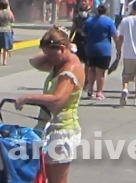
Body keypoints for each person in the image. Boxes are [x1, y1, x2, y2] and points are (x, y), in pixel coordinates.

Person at [16, 28, 85, 183]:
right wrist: (57, 44)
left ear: (61, 49)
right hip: (46, 127)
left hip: (62, 131)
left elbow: (58, 99)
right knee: (37, 174)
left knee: (57, 180)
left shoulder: (71, 67)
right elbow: (34, 61)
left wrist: (28, 97)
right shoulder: (58, 62)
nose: (48, 59)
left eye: (51, 54)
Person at [82, 4, 118, 100]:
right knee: (100, 72)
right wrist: (119, 48)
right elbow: (115, 36)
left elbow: (83, 33)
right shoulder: (109, 21)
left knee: (91, 70)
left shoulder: (89, 21)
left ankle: (90, 90)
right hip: (104, 50)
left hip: (91, 49)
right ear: (106, 11)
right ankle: (99, 92)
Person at [0, 0, 16, 66]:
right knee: (6, 46)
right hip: (7, 30)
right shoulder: (9, 13)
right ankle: (5, 61)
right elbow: (13, 20)